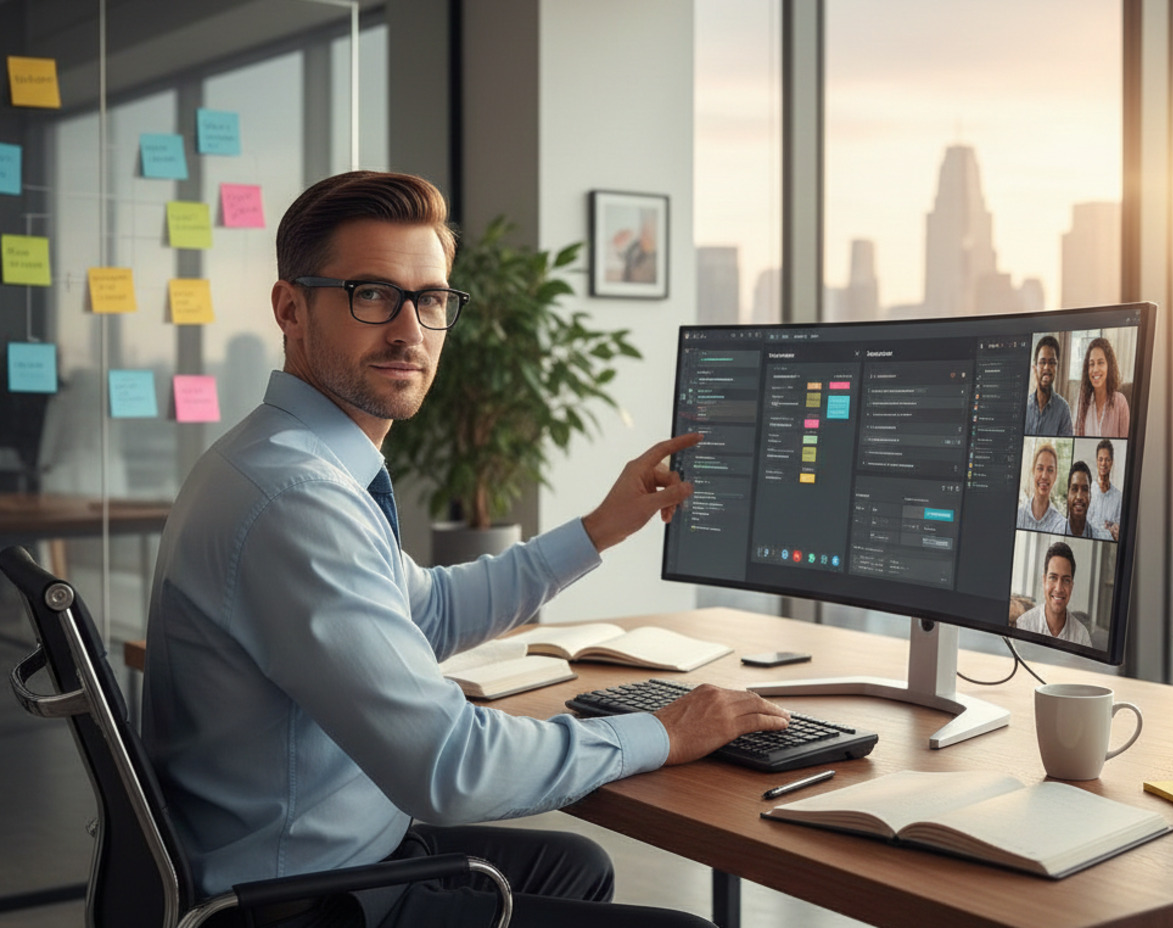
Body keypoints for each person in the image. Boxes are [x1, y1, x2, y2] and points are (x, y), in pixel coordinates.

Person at [141, 171, 791, 928]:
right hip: (296, 901)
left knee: (574, 863)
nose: (409, 330)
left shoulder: (288, 457)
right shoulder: (296, 499)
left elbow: (427, 610)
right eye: (372, 294)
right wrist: (663, 731)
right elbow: (448, 767)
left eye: (431, 299)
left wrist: (599, 529)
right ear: (291, 308)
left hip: (319, 855)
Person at [1015, 541, 1093, 647]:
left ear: (1071, 586)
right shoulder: (1024, 625)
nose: (1059, 588)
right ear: (1044, 580)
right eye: (1053, 578)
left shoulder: (1081, 636)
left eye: (1066, 580)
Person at [1075, 336, 1129, 438]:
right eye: (1091, 364)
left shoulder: (1120, 402)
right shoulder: (1082, 402)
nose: (1095, 369)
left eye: (1100, 363)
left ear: (1109, 366)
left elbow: (1126, 446)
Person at [1024, 335, 1073, 436]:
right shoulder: (1024, 407)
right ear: (1035, 368)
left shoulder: (1063, 410)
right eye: (1042, 362)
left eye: (1052, 363)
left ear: (1056, 368)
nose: (1047, 367)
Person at [1016, 442, 1067, 533]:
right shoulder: (1018, 515)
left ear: (1055, 476)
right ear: (1033, 471)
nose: (1044, 476)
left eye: (1050, 470)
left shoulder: (1061, 525)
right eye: (1040, 468)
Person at [1063, 461, 1113, 540]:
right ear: (1068, 493)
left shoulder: (1102, 537)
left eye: (1085, 489)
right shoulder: (1054, 529)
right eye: (1074, 489)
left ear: (1090, 496)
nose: (1079, 496)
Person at [1088, 438, 1122, 542]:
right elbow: (1085, 528)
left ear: (1111, 462)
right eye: (1100, 459)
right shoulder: (1088, 491)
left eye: (1107, 460)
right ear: (1096, 461)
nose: (1103, 463)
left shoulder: (1118, 497)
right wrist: (1108, 532)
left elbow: (1117, 533)